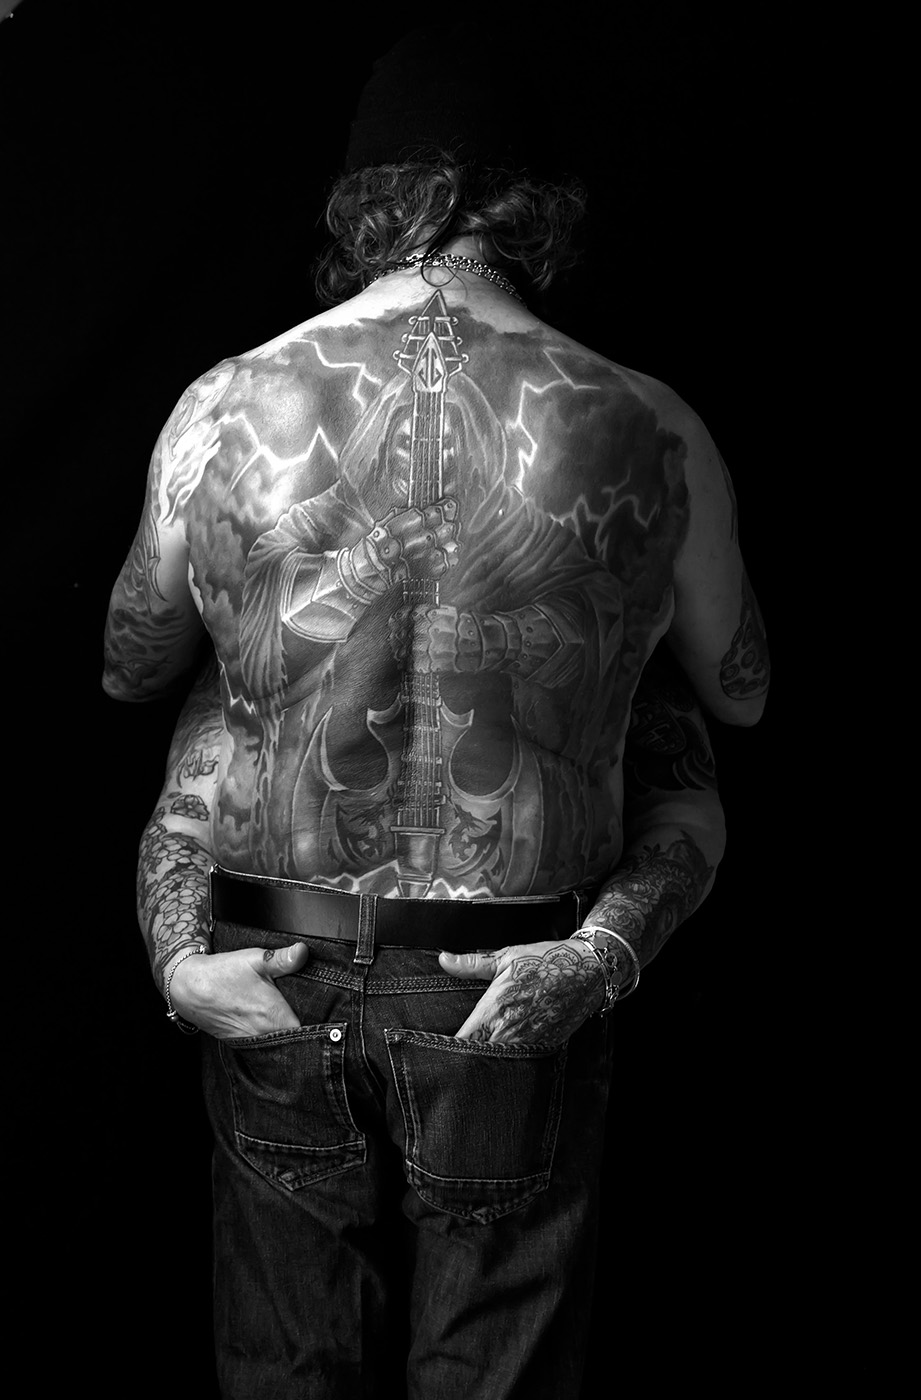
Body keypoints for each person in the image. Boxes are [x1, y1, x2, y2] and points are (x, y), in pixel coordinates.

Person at [103, 27, 769, 1398]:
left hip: (271, 962)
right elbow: (742, 691)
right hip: (511, 972)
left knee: (286, 1375)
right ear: (533, 210)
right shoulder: (652, 424)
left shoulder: (222, 407)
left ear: (363, 205)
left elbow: (130, 662)